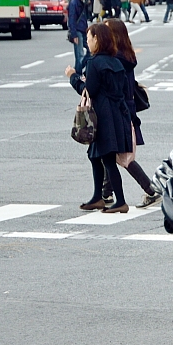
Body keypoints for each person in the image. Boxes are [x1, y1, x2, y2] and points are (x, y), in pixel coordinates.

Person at [66, 22, 133, 213]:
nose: (87, 42)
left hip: (102, 117)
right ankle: (98, 197)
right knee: (96, 156)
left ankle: (120, 201)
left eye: (89, 38)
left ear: (97, 39)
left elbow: (90, 91)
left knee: (107, 159)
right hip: (116, 114)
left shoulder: (94, 63)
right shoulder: (116, 62)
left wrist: (73, 77)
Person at [104, 19, 161, 208]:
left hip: (120, 112)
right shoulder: (127, 56)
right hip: (128, 111)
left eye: (106, 31)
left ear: (114, 35)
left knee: (123, 156)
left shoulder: (115, 59)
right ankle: (106, 193)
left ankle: (151, 190)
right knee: (112, 153)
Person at [67, 0, 91, 72]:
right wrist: (74, 34)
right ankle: (78, 73)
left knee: (91, 50)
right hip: (77, 31)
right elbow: (72, 19)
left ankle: (79, 70)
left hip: (83, 29)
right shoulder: (74, 3)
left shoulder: (82, 1)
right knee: (79, 54)